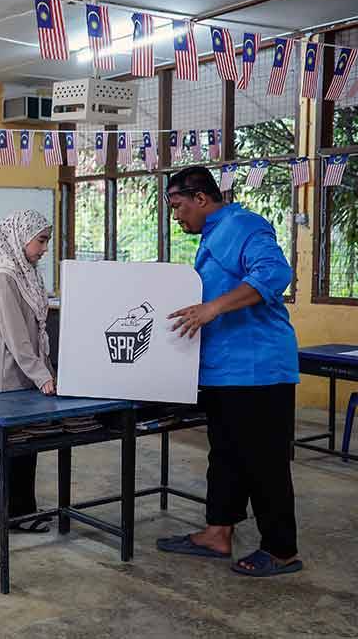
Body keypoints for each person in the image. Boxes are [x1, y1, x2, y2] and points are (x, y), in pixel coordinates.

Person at [157, 166, 302, 577]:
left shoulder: (244, 224)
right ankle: (218, 532)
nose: (176, 215)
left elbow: (274, 274)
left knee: (264, 462)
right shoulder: (212, 236)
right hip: (223, 372)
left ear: (201, 198)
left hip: (258, 370)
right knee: (225, 455)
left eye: (178, 206)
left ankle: (281, 550)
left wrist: (213, 308)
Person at [0, 210, 55, 533]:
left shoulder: (28, 273)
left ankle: (26, 510)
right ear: (21, 237)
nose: (44, 249)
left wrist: (43, 370)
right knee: (15, 451)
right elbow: (17, 338)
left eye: (47, 241)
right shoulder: (4, 278)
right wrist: (44, 376)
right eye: (41, 241)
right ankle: (13, 517)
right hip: (8, 378)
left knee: (29, 446)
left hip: (27, 376)